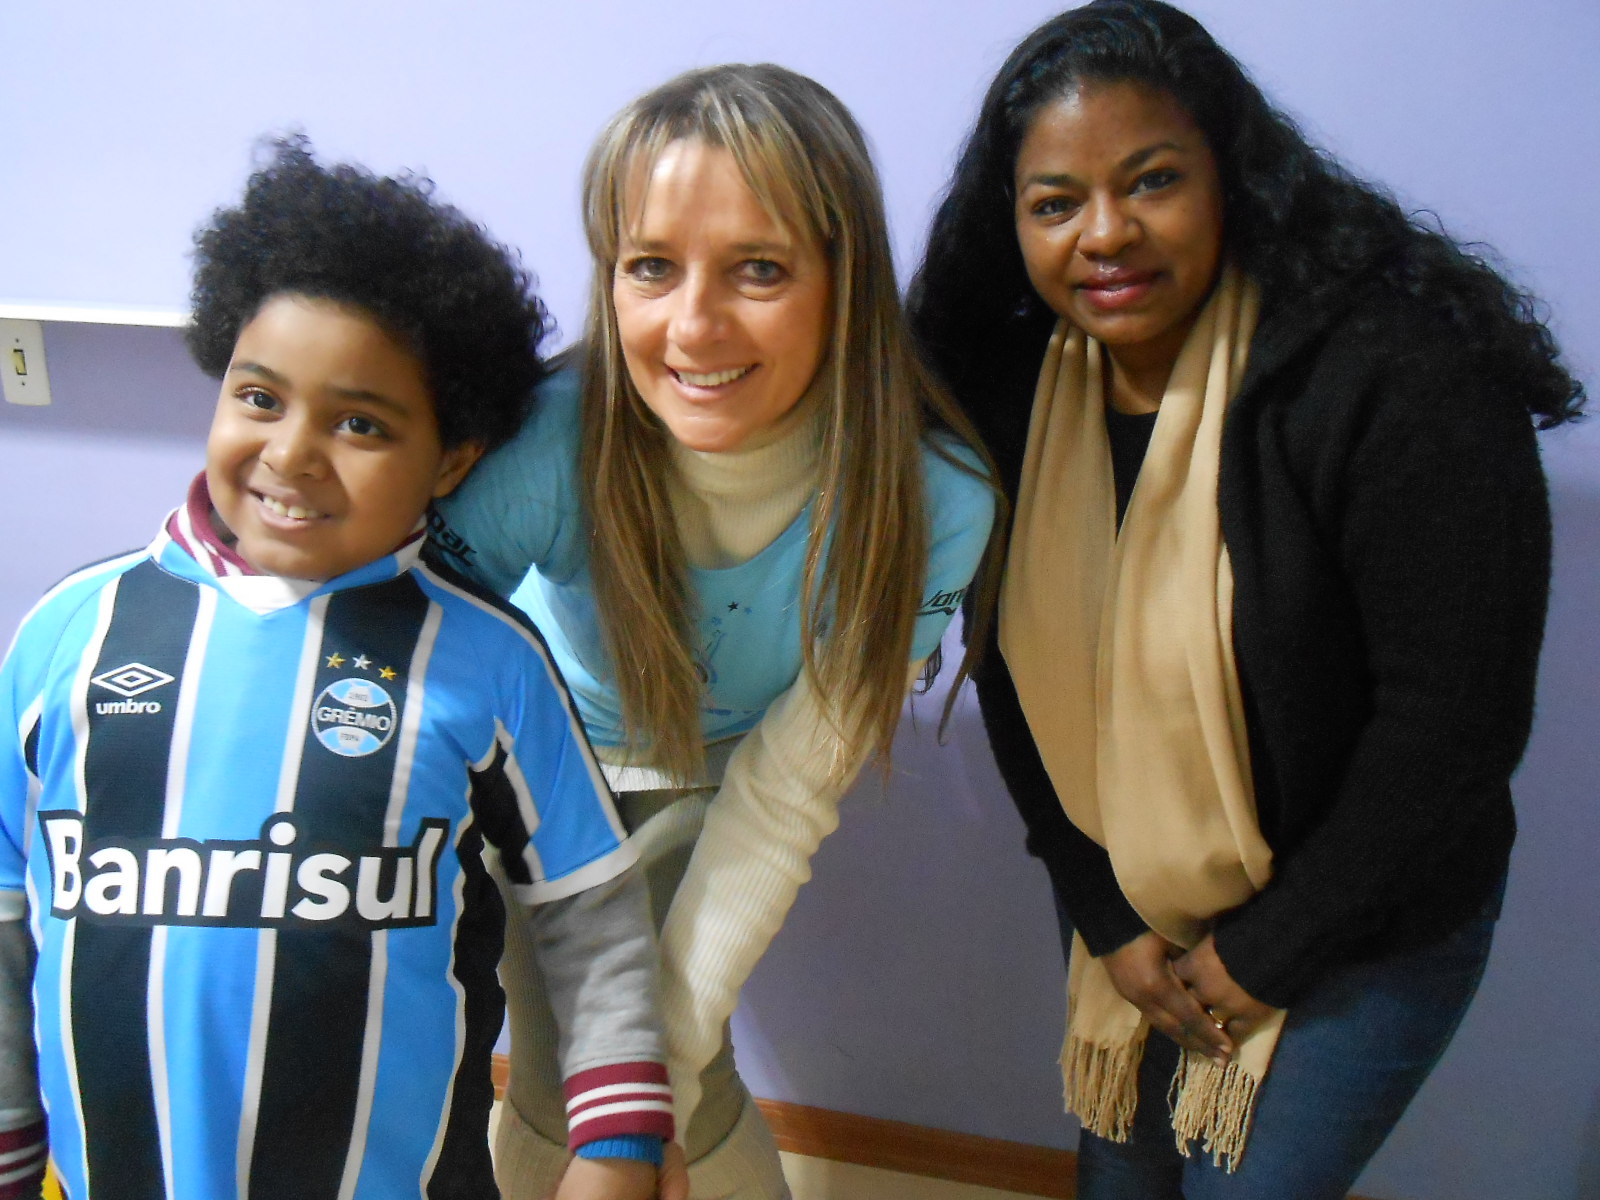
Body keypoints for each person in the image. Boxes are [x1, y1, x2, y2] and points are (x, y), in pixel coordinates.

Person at [907, 1, 1585, 1196]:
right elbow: (1007, 664)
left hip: (1366, 914)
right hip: (1132, 902)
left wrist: (1267, 951)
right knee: (1118, 1177)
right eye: (1055, 201)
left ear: (1233, 177)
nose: (1103, 234)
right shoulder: (1013, 395)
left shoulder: (1397, 379)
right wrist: (1104, 913)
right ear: (1012, 222)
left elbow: (1452, 729)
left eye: (1151, 180)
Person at [0, 138, 679, 1200]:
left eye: (359, 422)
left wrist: (617, 1141)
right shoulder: (64, 636)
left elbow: (591, 912)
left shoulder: (489, 662)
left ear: (451, 460)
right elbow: (4, 910)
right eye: (260, 398)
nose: (292, 452)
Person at [431, 65, 997, 1200]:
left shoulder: (935, 501)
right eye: (649, 266)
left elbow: (788, 792)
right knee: (570, 1084)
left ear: (844, 283)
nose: (692, 325)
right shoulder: (552, 443)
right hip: (540, 772)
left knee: (649, 1079)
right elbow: (420, 670)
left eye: (759, 269)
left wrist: (650, 1095)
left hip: (735, 777)